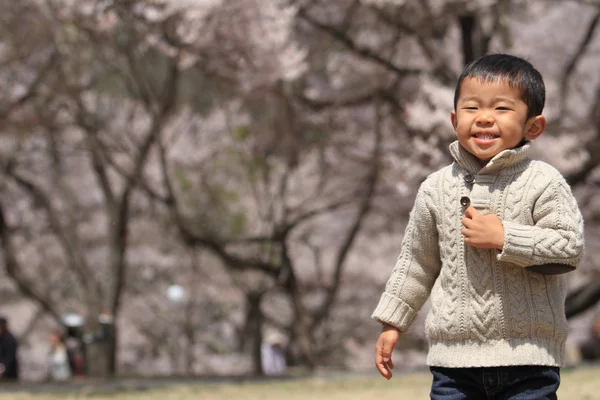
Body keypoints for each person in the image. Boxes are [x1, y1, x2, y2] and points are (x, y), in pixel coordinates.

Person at [372, 54, 585, 399]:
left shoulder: (544, 182)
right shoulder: (435, 188)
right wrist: (392, 322)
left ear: (533, 126)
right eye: (472, 109)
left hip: (529, 359)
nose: (484, 118)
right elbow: (416, 263)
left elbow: (570, 246)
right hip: (453, 365)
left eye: (502, 109)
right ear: (455, 119)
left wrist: (504, 237)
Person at [0, 317, 19, 381]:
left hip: (9, 371)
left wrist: (3, 368)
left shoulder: (9, 339)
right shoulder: (2, 337)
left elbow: (9, 357)